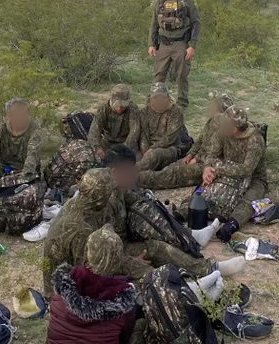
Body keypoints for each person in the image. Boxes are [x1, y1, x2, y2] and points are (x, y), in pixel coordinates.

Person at [102, 145, 237, 281]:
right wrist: (127, 263)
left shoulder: (118, 189)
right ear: (115, 172)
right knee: (156, 251)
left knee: (151, 214)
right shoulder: (101, 200)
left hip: (126, 240)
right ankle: (202, 273)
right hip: (117, 253)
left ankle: (192, 240)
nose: (133, 176)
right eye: (129, 172)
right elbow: (97, 252)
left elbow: (140, 204)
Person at [46, 224, 139, 344]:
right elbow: (125, 337)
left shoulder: (61, 285)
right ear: (119, 258)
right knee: (140, 325)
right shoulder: (124, 303)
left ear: (88, 252)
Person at [42, 169, 118, 294]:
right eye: (108, 193)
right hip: (62, 293)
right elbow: (86, 271)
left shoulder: (78, 202)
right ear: (101, 197)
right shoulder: (81, 228)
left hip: (61, 277)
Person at [202, 104, 268, 242]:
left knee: (250, 200)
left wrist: (218, 168)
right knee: (205, 190)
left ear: (234, 129)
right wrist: (207, 168)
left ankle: (232, 224)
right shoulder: (222, 133)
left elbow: (246, 170)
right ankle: (187, 212)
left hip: (254, 179)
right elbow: (211, 154)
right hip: (227, 172)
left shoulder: (255, 140)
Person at [137, 92, 229, 190]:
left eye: (213, 106)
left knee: (172, 174)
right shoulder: (211, 122)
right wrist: (190, 155)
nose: (210, 107)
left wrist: (197, 158)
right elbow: (200, 141)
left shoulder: (225, 129)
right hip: (198, 158)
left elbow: (214, 153)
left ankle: (134, 179)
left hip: (208, 165)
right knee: (171, 168)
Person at [147, 0, 200, 107]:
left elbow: (196, 23)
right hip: (163, 44)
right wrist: (151, 44)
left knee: (181, 76)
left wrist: (192, 45)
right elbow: (153, 24)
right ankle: (152, 102)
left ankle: (182, 104)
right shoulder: (160, 2)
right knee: (159, 75)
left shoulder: (188, 1)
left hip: (181, 44)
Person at [0, 98, 42, 190]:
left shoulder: (34, 130)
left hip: (25, 172)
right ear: (8, 116)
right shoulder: (0, 130)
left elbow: (32, 155)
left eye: (24, 113)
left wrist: (22, 178)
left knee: (28, 189)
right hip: (4, 169)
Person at [137, 83, 185, 172]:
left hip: (169, 148)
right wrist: (145, 151)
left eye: (162, 97)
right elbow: (143, 135)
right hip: (147, 149)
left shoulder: (175, 112)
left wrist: (152, 149)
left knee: (155, 155)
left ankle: (130, 173)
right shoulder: (144, 112)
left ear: (168, 97)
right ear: (151, 98)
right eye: (156, 98)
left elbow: (170, 138)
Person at [87, 84, 140, 159]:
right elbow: (94, 130)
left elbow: (134, 132)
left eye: (123, 106)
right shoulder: (103, 109)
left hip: (125, 142)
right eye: (118, 105)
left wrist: (123, 148)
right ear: (112, 100)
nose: (120, 108)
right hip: (107, 141)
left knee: (134, 159)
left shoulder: (133, 109)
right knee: (91, 156)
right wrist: (97, 147)